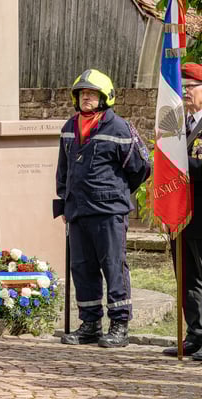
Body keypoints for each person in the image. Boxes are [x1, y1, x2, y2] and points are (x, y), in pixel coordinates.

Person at [56, 69, 150, 348]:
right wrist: (64, 201)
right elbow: (63, 170)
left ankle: (120, 325)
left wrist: (115, 192)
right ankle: (90, 325)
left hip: (108, 212)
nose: (86, 97)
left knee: (113, 267)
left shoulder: (120, 127)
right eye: (82, 93)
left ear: (105, 97)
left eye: (92, 93)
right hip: (77, 211)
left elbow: (141, 167)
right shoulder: (69, 127)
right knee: (82, 268)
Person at [163, 63, 202, 360]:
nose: (185, 92)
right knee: (188, 279)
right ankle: (196, 334)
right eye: (183, 87)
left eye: (190, 87)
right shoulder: (180, 124)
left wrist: (178, 164)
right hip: (181, 214)